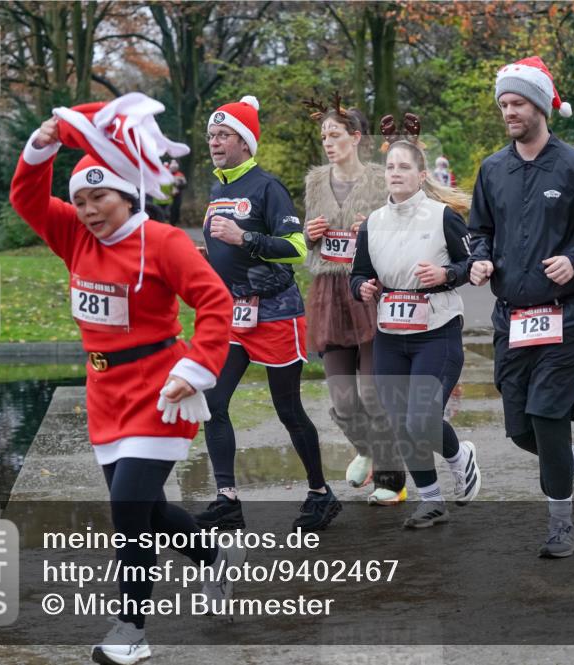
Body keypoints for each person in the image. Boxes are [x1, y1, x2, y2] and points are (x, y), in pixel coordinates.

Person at [10, 95, 243, 665]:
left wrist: (197, 369)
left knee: (127, 510)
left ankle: (131, 628)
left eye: (101, 198)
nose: (90, 210)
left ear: (127, 193)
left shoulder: (161, 242)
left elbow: (215, 302)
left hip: (163, 388)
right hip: (104, 394)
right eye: (82, 200)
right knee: (145, 508)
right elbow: (26, 198)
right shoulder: (74, 236)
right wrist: (44, 142)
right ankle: (212, 555)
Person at [468, 57, 574, 557]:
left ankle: (561, 525)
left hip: (567, 315)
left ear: (540, 105)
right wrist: (478, 260)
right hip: (511, 319)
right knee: (520, 428)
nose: (509, 112)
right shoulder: (493, 169)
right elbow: (479, 230)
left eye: (517, 103)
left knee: (548, 415)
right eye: (503, 105)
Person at [197, 95, 341, 531]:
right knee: (213, 402)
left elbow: (296, 248)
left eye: (224, 135)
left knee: (288, 410)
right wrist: (209, 256)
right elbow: (226, 243)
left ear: (245, 142)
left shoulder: (267, 187)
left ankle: (320, 493)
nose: (215, 142)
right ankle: (228, 499)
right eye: (211, 135)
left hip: (275, 313)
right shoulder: (219, 188)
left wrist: (246, 240)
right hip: (233, 313)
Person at [350, 117, 481, 528]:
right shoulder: (372, 223)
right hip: (390, 333)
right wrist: (363, 289)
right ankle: (431, 500)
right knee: (399, 423)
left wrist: (446, 275)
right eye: (390, 167)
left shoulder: (443, 216)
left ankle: (460, 457)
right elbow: (358, 274)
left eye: (405, 167)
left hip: (437, 332)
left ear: (422, 175)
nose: (396, 174)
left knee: (420, 420)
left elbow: (470, 263)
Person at [302, 97, 408, 505]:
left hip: (369, 290)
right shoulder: (315, 182)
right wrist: (311, 235)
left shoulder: (383, 179)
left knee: (371, 394)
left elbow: (408, 228)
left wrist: (377, 229)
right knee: (343, 399)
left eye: (335, 135)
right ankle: (364, 448)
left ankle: (391, 480)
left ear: (357, 137)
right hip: (330, 291)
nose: (328, 143)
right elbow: (311, 251)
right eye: (324, 136)